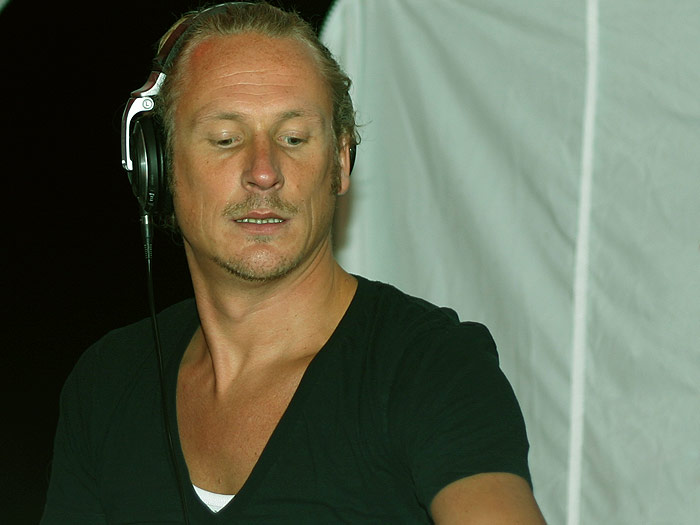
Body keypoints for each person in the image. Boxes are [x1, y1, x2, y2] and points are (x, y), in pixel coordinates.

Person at [41, 2, 546, 523]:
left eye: (294, 138)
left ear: (341, 161)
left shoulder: (429, 366)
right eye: (226, 139)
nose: (264, 172)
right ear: (159, 167)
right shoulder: (107, 383)